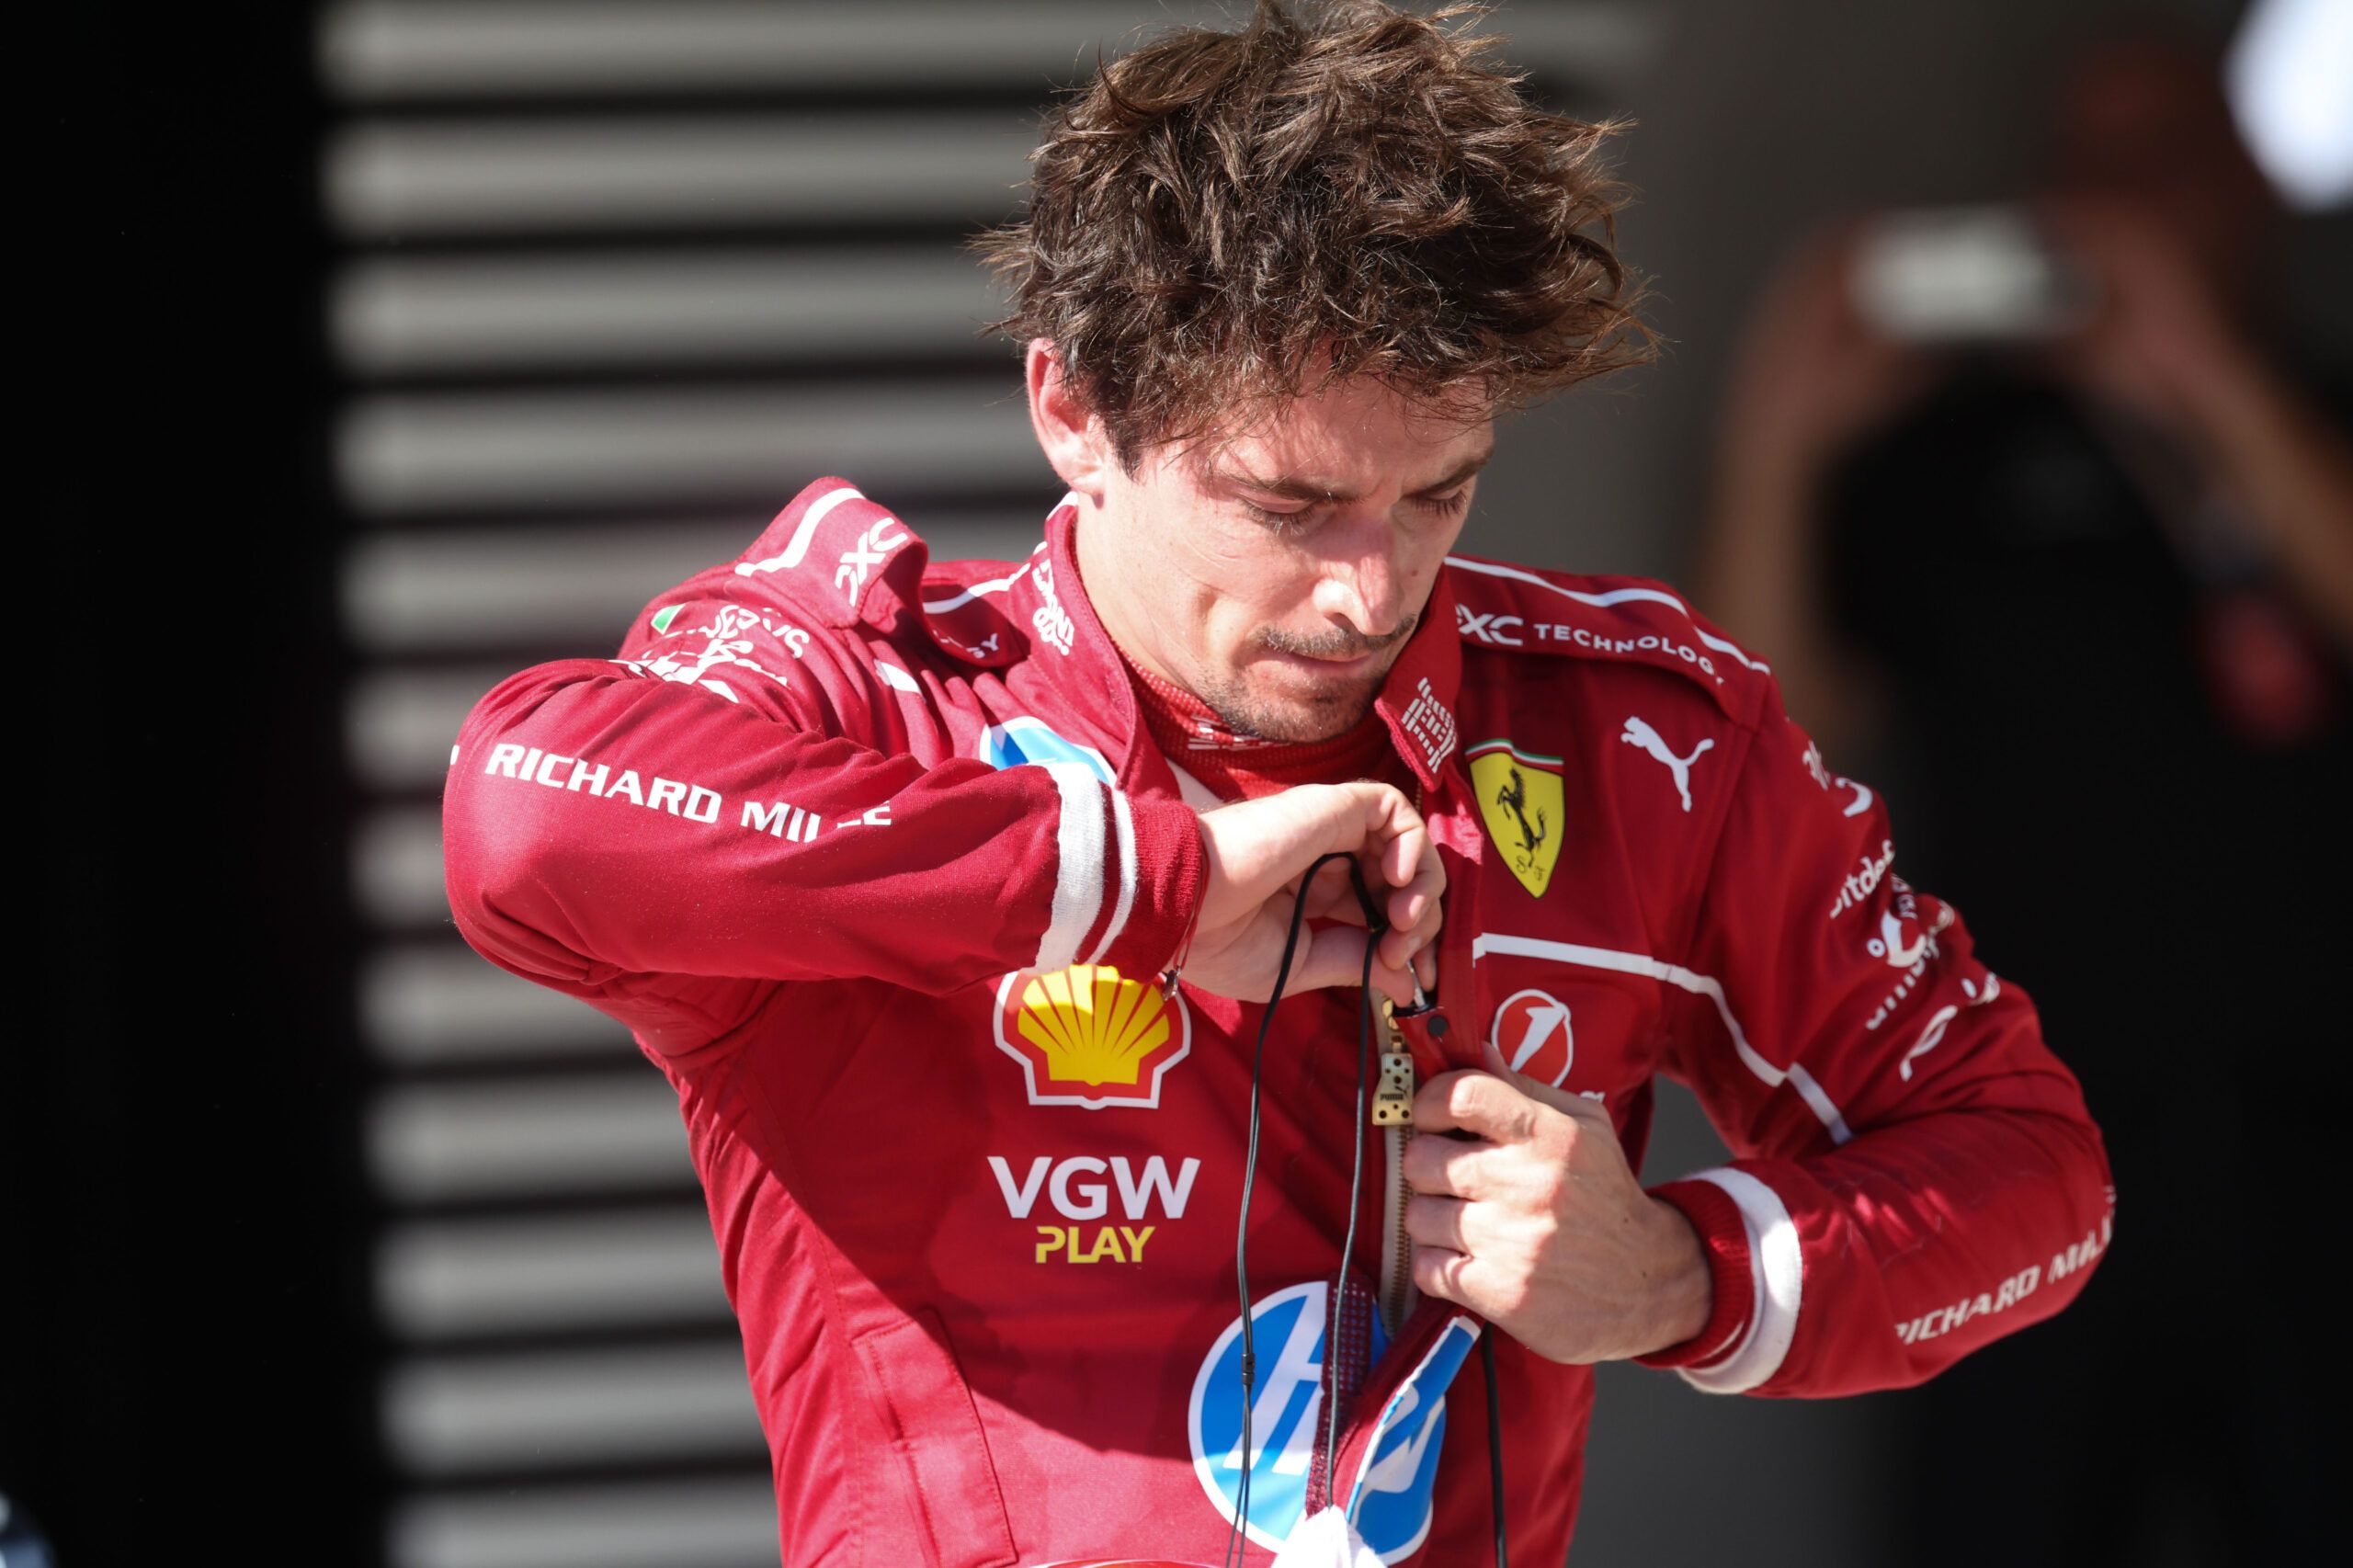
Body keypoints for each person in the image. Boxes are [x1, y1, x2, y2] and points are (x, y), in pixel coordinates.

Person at [441, 5, 2112, 1562]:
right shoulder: (872, 694)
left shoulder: (1639, 740)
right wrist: (1127, 887)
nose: (1368, 591)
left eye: (1440, 492)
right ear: (1071, 408)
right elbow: (522, 812)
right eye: (1292, 502)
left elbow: (2037, 1177)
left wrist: (1681, 1272)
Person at [1695, 32, 2349, 1567]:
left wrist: (2207, 388)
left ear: (2250, 186)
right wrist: (1783, 430)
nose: (2118, 211)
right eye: (2089, 172)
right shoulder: (1948, 457)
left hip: (2317, 1143)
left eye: (2164, 164)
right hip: (2025, 1146)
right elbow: (1768, 742)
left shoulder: (2313, 408)